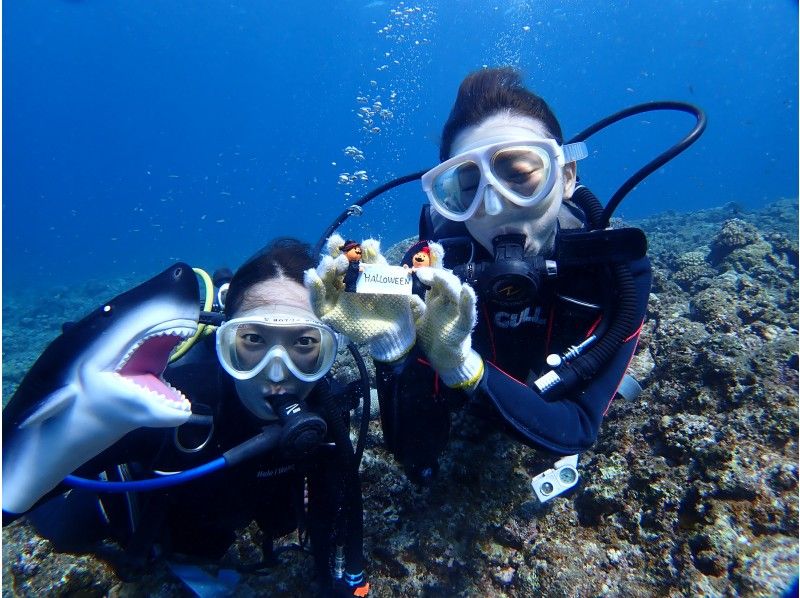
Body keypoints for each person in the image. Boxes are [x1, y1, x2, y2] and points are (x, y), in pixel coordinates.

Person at [306, 67, 652, 489]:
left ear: (565, 177)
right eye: (469, 188)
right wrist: (394, 351)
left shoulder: (617, 271)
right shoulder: (431, 273)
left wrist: (463, 367)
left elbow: (577, 427)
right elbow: (416, 453)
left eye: (520, 175)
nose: (496, 205)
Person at [12, 238, 369, 597]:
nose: (277, 372)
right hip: (126, 520)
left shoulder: (329, 412)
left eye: (304, 343)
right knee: (66, 532)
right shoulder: (176, 408)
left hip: (223, 524)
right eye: (253, 339)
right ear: (224, 340)